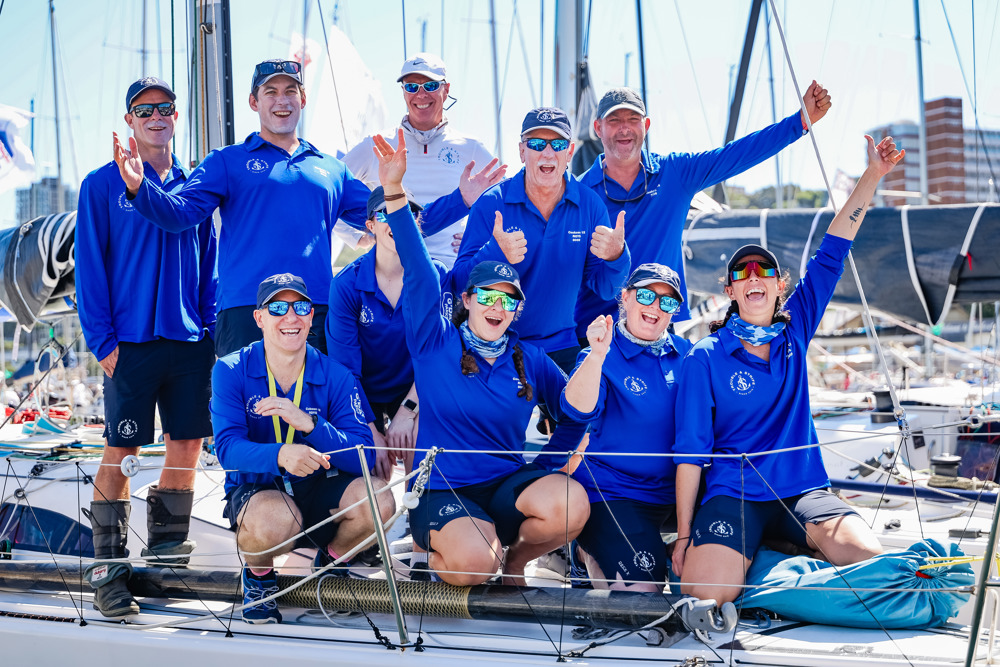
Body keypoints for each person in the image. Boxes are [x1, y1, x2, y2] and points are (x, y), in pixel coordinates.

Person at [672, 135, 904, 605]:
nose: (753, 277)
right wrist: (682, 535)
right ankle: (771, 554)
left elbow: (834, 248)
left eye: (763, 271)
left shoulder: (795, 331)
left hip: (802, 491)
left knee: (870, 561)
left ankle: (777, 553)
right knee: (706, 594)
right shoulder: (705, 356)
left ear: (780, 287)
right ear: (730, 292)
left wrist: (873, 175)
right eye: (742, 273)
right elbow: (690, 453)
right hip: (733, 495)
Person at [112, 59, 478, 356]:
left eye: (290, 91)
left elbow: (400, 224)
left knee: (314, 421)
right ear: (254, 102)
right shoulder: (225, 161)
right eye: (270, 92)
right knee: (249, 420)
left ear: (302, 99)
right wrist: (139, 188)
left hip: (314, 311)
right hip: (246, 312)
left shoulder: (332, 170)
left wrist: (461, 199)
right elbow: (180, 215)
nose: (281, 100)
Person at [373, 129, 589, 586]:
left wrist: (545, 466)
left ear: (517, 310)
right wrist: (393, 190)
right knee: (475, 564)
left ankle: (515, 562)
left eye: (508, 300)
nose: (497, 307)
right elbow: (418, 268)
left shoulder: (530, 359)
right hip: (443, 490)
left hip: (504, 490)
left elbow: (575, 416)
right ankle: (429, 556)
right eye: (487, 296)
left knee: (571, 503)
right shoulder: (435, 341)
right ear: (467, 300)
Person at [75, 76, 217, 618]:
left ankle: (163, 563)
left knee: (187, 447)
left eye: (165, 108)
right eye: (144, 109)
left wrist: (209, 330)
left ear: (176, 116)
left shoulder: (194, 184)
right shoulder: (100, 185)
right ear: (130, 120)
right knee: (123, 451)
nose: (156, 116)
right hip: (128, 344)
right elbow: (90, 266)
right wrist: (102, 341)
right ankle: (108, 575)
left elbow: (209, 262)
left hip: (188, 340)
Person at [574, 82, 832, 335]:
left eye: (633, 119)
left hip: (659, 324)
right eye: (614, 120)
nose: (624, 128)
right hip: (596, 331)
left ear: (646, 125)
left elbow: (735, 155)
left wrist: (800, 122)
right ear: (598, 128)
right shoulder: (579, 194)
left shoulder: (674, 173)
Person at [212, 273, 393, 624]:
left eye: (300, 307)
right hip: (263, 491)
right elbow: (227, 449)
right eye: (278, 308)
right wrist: (281, 455)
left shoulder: (337, 374)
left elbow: (365, 455)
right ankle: (259, 577)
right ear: (259, 318)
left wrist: (311, 425)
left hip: (323, 488)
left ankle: (332, 563)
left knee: (380, 500)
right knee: (275, 520)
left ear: (311, 316)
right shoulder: (230, 369)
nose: (291, 316)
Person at [454, 107, 630, 375]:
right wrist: (495, 252)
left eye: (557, 144)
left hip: (562, 347)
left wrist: (617, 256)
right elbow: (459, 284)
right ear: (522, 151)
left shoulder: (590, 205)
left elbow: (606, 289)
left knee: (577, 404)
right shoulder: (491, 203)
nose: (547, 153)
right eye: (537, 144)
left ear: (569, 152)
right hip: (496, 347)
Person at [558, 263, 692, 592]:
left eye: (667, 301)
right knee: (642, 596)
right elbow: (577, 409)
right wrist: (596, 356)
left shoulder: (689, 356)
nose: (655, 306)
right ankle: (580, 551)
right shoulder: (601, 353)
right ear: (626, 297)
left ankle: (654, 550)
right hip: (616, 494)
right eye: (646, 295)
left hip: (679, 494)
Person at [326, 187, 453, 474]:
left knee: (419, 444)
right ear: (370, 226)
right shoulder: (346, 285)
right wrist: (370, 429)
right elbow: (344, 370)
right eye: (385, 213)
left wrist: (409, 410)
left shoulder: (436, 275)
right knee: (369, 462)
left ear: (416, 223)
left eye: (408, 212)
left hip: (414, 386)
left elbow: (439, 355)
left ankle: (415, 503)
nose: (397, 218)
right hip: (363, 391)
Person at [342, 52, 504, 269]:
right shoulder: (377, 144)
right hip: (391, 274)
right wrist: (359, 238)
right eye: (411, 87)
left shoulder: (471, 148)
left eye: (430, 85)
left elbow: (509, 204)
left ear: (446, 90)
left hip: (451, 273)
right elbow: (329, 192)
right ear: (403, 92)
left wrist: (482, 236)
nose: (421, 94)